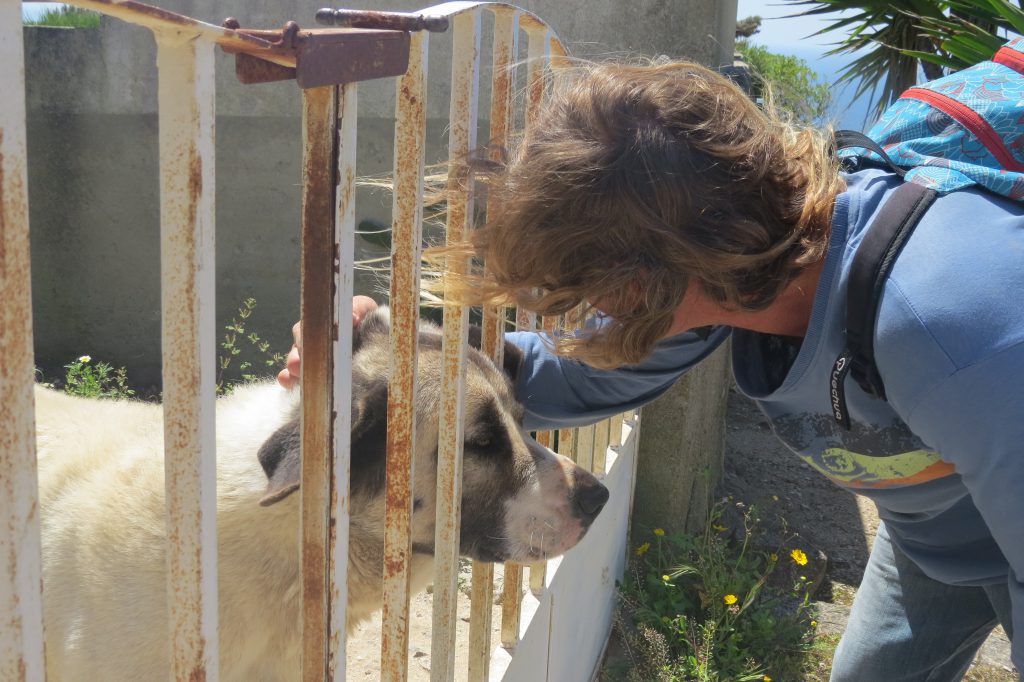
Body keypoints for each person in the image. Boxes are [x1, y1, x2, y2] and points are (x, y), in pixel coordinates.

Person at [279, 60, 1023, 681]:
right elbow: (571, 380)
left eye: (580, 290)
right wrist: (387, 362)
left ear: (648, 278)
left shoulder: (957, 332)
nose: (580, 313)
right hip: (931, 542)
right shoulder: (738, 273)